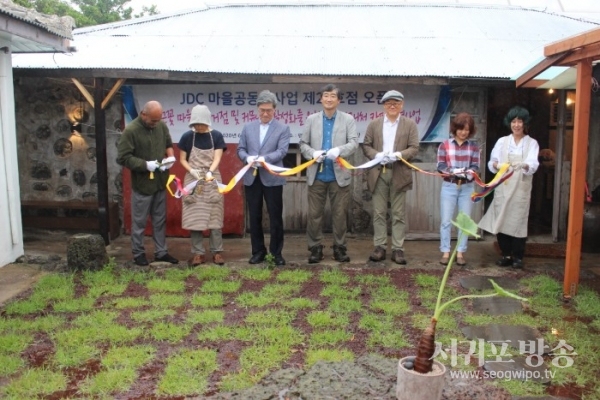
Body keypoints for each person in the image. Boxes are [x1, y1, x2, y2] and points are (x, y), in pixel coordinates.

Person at [300, 84, 358, 263]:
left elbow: (354, 142)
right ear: (321, 99)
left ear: (338, 100)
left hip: (338, 176)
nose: (329, 99)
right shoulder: (312, 119)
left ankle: (339, 248)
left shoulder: (348, 119)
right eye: (326, 95)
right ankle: (315, 248)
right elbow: (303, 144)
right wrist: (312, 153)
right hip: (316, 175)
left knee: (340, 215)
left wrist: (339, 150)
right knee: (314, 215)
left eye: (333, 96)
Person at [117, 100, 179, 266]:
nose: (155, 124)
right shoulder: (130, 131)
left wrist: (171, 156)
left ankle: (161, 252)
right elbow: (123, 158)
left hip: (160, 181)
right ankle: (138, 253)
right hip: (142, 184)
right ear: (143, 115)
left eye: (158, 120)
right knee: (140, 222)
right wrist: (145, 165)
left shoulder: (161, 126)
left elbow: (168, 143)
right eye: (153, 120)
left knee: (160, 220)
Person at [362, 90, 420, 265]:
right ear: (384, 106)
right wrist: (377, 155)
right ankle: (379, 246)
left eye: (396, 103)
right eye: (388, 103)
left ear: (401, 105)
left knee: (398, 213)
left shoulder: (409, 124)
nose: (392, 106)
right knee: (379, 212)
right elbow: (366, 145)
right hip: (379, 172)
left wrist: (399, 155)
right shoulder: (374, 124)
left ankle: (398, 249)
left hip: (399, 171)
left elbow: (414, 147)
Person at [478, 106, 539, 269]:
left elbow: (533, 164)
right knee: (502, 219)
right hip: (503, 186)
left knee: (518, 220)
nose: (517, 125)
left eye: (520, 121)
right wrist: (499, 165)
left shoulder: (532, 143)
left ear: (525, 123)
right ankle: (505, 254)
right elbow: (492, 163)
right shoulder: (502, 142)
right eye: (514, 121)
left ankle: (518, 256)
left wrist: (524, 165)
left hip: (521, 187)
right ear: (509, 123)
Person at [237, 90, 291, 266]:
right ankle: (258, 251)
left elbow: (282, 151)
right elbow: (241, 149)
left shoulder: (283, 128)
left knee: (275, 216)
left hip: (272, 177)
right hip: (252, 177)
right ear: (257, 109)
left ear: (275, 110)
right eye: (262, 110)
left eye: (269, 110)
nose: (265, 113)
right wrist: (247, 158)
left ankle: (276, 253)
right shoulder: (248, 127)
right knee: (254, 216)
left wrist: (264, 159)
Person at [178, 105, 227, 266]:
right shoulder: (187, 137)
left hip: (212, 180)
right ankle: (198, 253)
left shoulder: (217, 136)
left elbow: (217, 158)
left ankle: (217, 252)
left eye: (201, 123)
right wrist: (192, 171)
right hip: (193, 181)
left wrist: (210, 172)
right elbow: (182, 159)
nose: (198, 127)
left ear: (207, 121)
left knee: (215, 217)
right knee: (195, 217)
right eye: (196, 124)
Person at [436, 112, 480, 266]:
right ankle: (446, 252)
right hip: (449, 186)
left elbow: (475, 166)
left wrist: (468, 173)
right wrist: (452, 171)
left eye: (467, 129)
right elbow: (440, 165)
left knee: (464, 221)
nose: (464, 132)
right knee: (446, 221)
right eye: (461, 129)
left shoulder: (473, 146)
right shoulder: (445, 145)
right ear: (455, 129)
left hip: (467, 188)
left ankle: (460, 252)